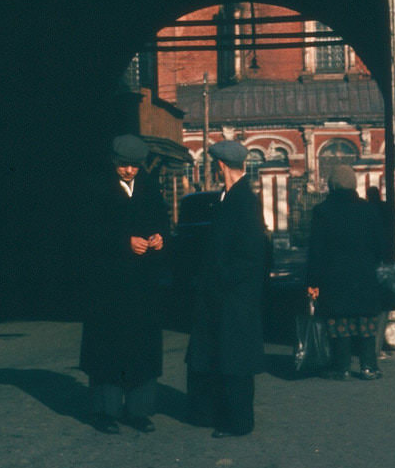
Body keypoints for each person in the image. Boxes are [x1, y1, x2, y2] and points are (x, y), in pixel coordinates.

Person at [78, 134, 169, 433]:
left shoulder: (149, 187)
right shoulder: (95, 187)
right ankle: (105, 412)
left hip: (143, 285)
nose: (129, 171)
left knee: (142, 347)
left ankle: (138, 410)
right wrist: (124, 243)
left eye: (135, 166)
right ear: (113, 161)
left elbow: (163, 220)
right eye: (124, 165)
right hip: (108, 286)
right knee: (108, 348)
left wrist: (159, 238)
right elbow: (86, 233)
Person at [184, 139, 268, 438]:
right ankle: (219, 414)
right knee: (223, 356)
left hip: (234, 296)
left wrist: (223, 280)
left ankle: (239, 422)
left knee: (235, 360)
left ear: (220, 166)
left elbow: (251, 254)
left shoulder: (243, 199)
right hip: (225, 294)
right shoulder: (229, 196)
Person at [306, 165, 385, 379]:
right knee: (365, 321)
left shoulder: (322, 211)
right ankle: (369, 366)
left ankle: (341, 366)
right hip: (364, 275)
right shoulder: (368, 210)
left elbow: (316, 250)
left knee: (339, 322)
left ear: (331, 186)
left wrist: (312, 280)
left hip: (334, 277)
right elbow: (381, 245)